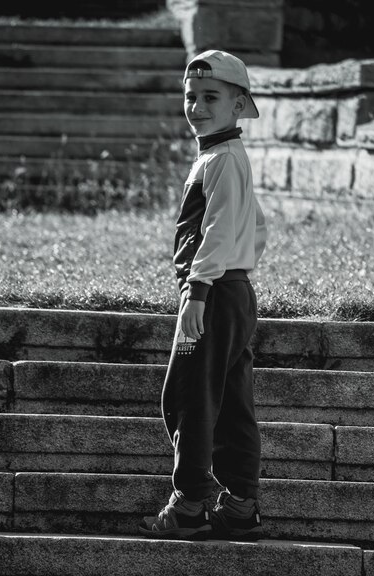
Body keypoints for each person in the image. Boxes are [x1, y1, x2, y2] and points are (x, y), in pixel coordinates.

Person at [138, 49, 267, 541]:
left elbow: (214, 230)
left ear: (239, 106)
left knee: (188, 396)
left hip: (213, 294)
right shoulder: (220, 157)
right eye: (190, 96)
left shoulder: (224, 159)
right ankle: (239, 506)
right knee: (231, 402)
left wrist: (198, 290)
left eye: (210, 97)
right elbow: (255, 225)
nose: (196, 106)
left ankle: (189, 505)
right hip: (229, 291)